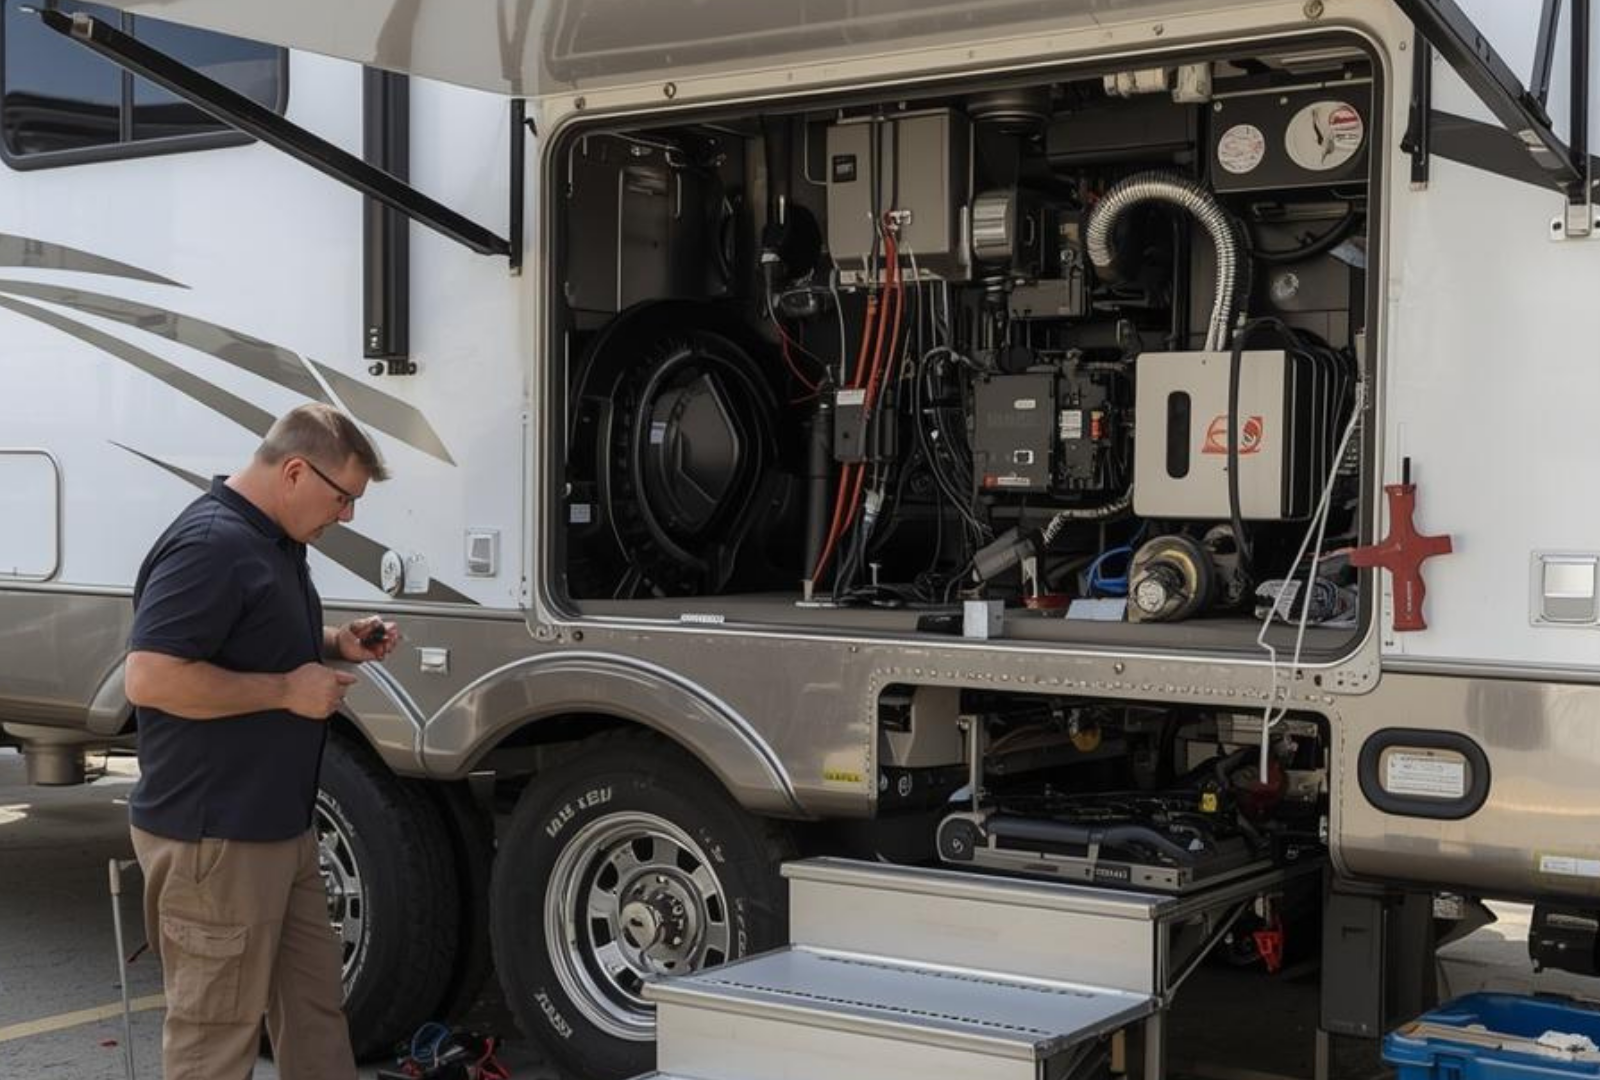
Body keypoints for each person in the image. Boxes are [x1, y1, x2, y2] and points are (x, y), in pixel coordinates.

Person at [123, 404, 401, 1080]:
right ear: (297, 471)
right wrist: (285, 691)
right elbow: (149, 677)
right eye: (344, 498)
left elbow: (249, 637)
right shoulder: (212, 545)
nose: (348, 517)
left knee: (314, 1015)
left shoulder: (272, 539)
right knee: (214, 1040)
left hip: (279, 831)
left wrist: (338, 643)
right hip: (217, 840)